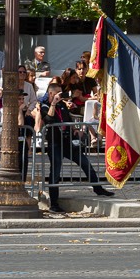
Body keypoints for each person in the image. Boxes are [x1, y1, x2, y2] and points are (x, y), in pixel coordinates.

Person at [41, 83, 114, 213]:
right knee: (55, 172)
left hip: (68, 142)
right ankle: (54, 203)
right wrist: (53, 104)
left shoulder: (62, 105)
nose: (60, 94)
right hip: (55, 143)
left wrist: (75, 129)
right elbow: (48, 119)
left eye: (61, 92)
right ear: (51, 93)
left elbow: (68, 118)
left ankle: (98, 188)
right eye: (58, 92)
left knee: (85, 163)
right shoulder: (45, 105)